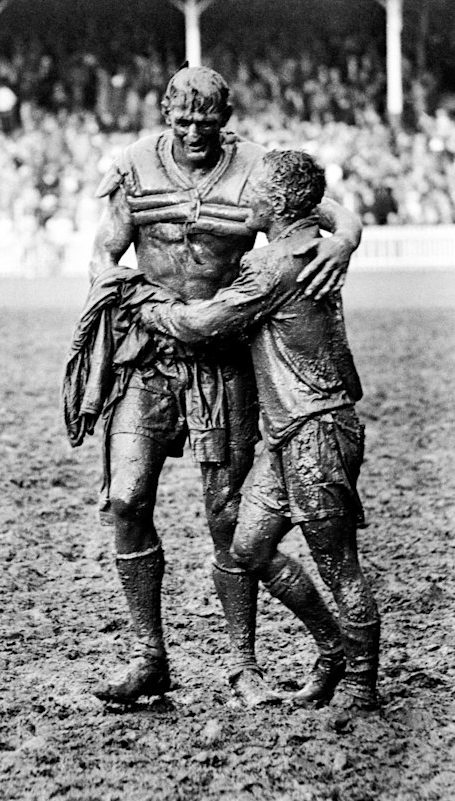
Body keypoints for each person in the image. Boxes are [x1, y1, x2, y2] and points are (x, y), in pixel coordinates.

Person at [82, 66, 363, 706]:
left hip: (225, 357)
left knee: (226, 515)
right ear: (166, 116)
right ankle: (148, 656)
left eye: (205, 121)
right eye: (182, 120)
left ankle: (243, 664)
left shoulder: (256, 166)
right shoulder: (133, 165)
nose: (193, 132)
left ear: (224, 119)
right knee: (126, 499)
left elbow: (331, 212)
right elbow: (104, 250)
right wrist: (111, 284)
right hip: (149, 355)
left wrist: (345, 241)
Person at [136, 149, 380, 712]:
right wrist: (347, 234)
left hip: (316, 431)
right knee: (248, 547)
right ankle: (333, 651)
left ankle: (362, 685)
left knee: (339, 566)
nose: (246, 195)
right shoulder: (310, 246)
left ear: (279, 203)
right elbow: (327, 213)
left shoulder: (272, 266)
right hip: (290, 432)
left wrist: (149, 309)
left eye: (257, 190)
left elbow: (203, 323)